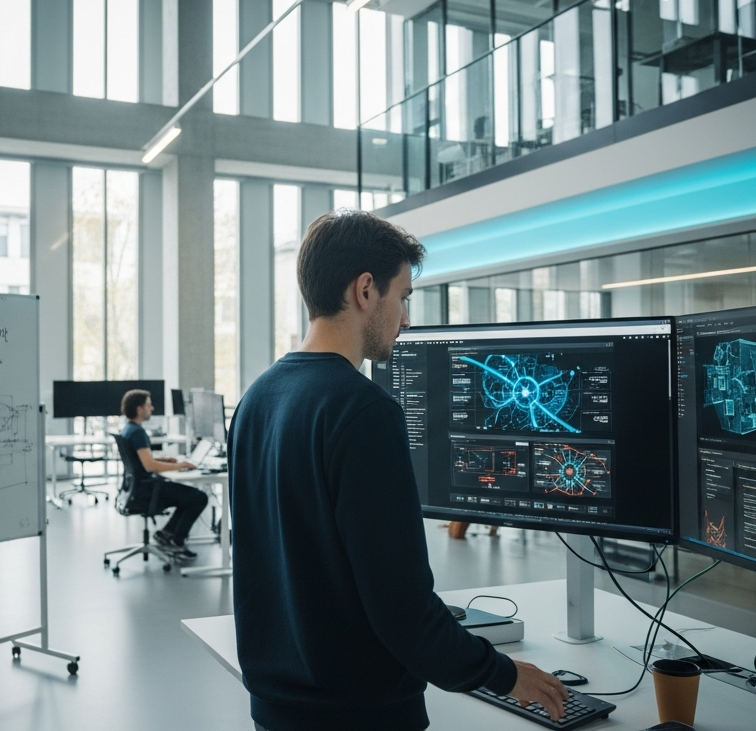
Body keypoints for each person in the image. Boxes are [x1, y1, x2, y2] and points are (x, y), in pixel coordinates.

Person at [229, 210, 570, 731]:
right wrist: (501, 674)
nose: (406, 319)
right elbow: (401, 607)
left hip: (277, 709)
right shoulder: (364, 410)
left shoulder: (256, 398)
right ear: (366, 290)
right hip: (359, 715)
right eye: (404, 297)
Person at [119, 389, 209, 561]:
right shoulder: (138, 433)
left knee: (188, 496)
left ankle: (166, 534)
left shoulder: (128, 429)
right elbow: (149, 465)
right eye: (148, 405)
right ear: (139, 409)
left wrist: (166, 460)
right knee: (199, 497)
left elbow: (140, 461)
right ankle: (176, 541)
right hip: (147, 491)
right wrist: (180, 465)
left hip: (136, 488)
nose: (152, 408)